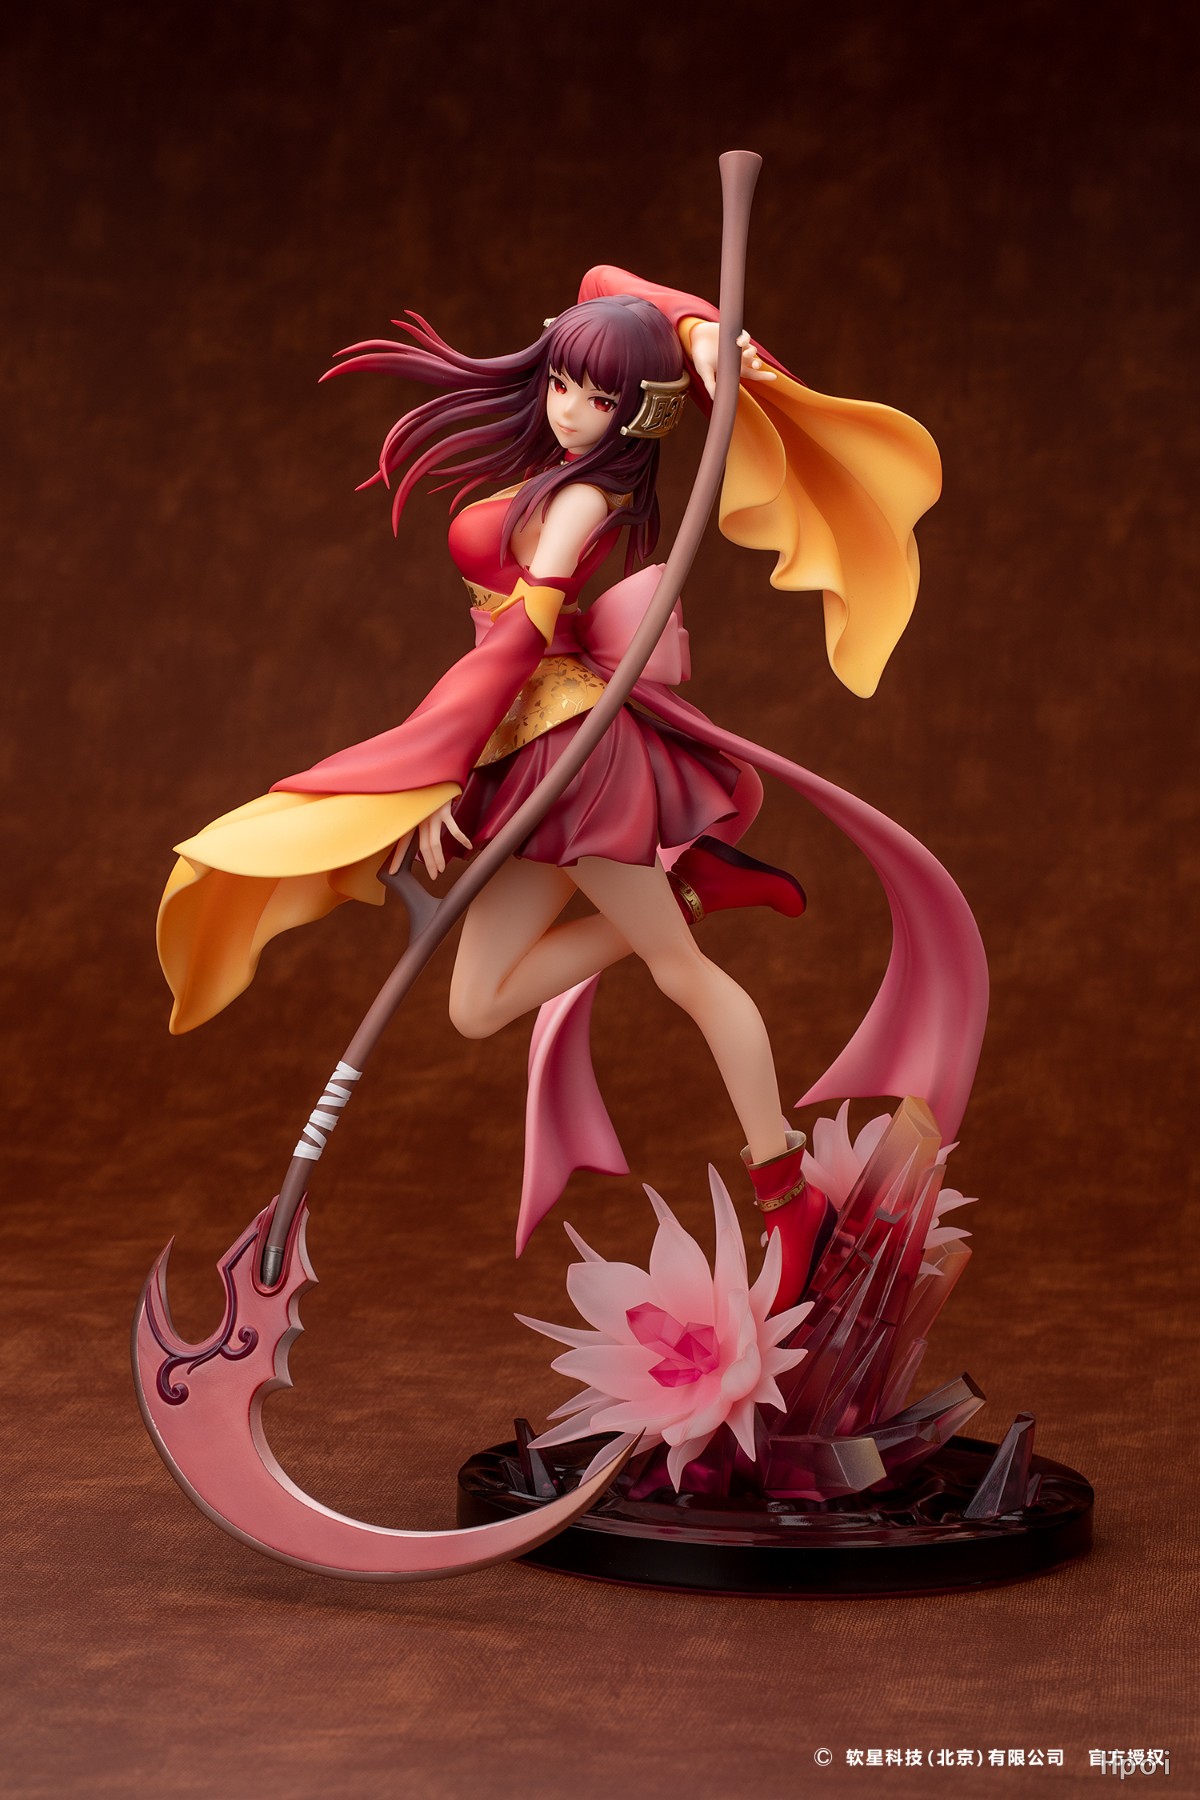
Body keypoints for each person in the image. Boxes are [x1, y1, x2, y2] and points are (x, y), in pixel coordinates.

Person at [158, 266, 977, 1310]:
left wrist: (433, 768)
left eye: (602, 397)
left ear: (642, 413)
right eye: (562, 383)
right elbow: (609, 283)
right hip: (525, 747)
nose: (572, 410)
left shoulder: (584, 499)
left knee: (683, 977)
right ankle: (694, 889)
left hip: (573, 758)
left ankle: (788, 1198)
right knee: (477, 1003)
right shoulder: (559, 468)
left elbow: (512, 649)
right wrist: (702, 332)